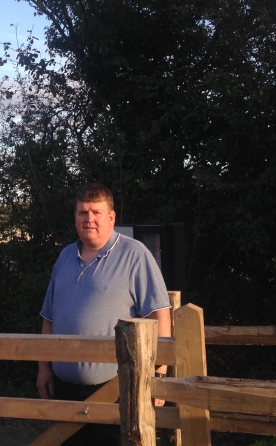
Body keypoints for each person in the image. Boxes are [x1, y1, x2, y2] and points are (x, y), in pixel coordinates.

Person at [37, 183, 171, 445]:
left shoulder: (134, 255)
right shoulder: (65, 256)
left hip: (116, 389)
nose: (89, 219)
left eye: (96, 212)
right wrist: (43, 368)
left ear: (111, 217)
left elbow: (159, 314)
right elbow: (49, 318)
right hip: (64, 389)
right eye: (82, 212)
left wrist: (158, 374)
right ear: (75, 217)